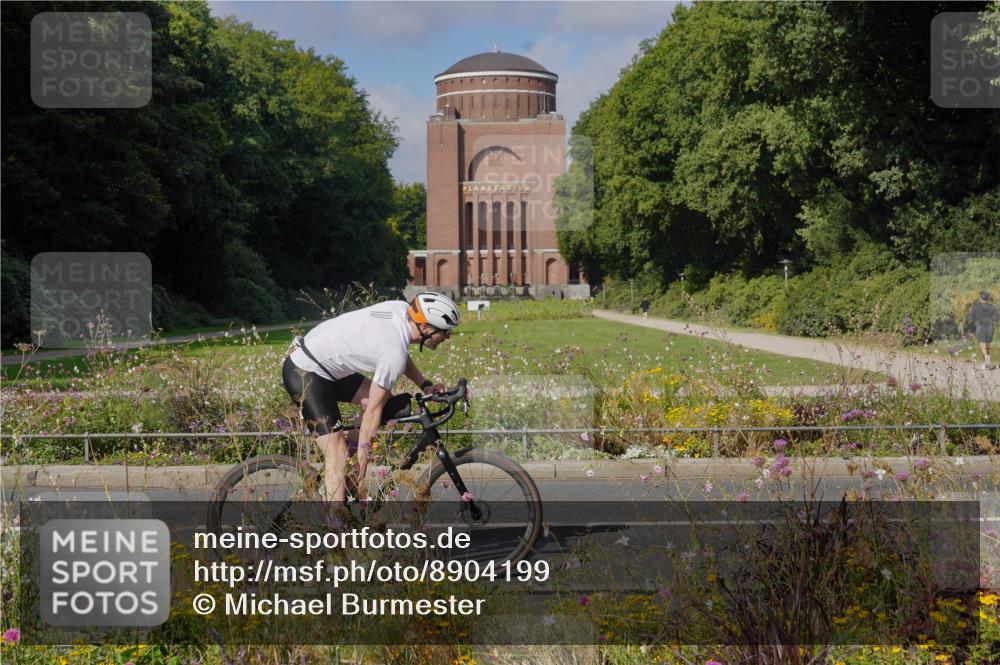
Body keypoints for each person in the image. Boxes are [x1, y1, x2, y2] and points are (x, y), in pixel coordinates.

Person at [282, 292, 460, 502]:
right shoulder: (394, 351)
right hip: (303, 371)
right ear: (427, 328)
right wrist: (362, 468)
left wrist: (425, 385)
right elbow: (371, 415)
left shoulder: (402, 310)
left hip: (325, 364)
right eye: (445, 332)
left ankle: (340, 470)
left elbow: (400, 355)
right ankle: (335, 527)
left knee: (387, 404)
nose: (447, 337)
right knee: (338, 453)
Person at [968, 291, 1000, 369]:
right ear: (988, 299)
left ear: (980, 298)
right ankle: (986, 364)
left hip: (981, 326)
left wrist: (975, 320)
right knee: (987, 346)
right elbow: (998, 318)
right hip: (990, 327)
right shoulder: (993, 307)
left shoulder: (976, 306)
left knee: (982, 344)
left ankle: (986, 357)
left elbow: (971, 318)